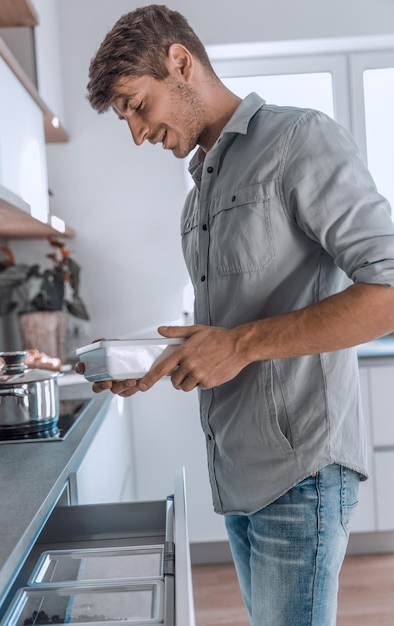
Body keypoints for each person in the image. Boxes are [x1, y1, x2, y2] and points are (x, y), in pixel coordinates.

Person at [80, 5, 394, 625]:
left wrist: (241, 345)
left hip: (301, 472)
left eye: (138, 106)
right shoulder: (198, 198)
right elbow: (226, 335)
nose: (138, 133)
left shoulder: (299, 139)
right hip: (238, 474)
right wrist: (153, 360)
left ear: (179, 62)